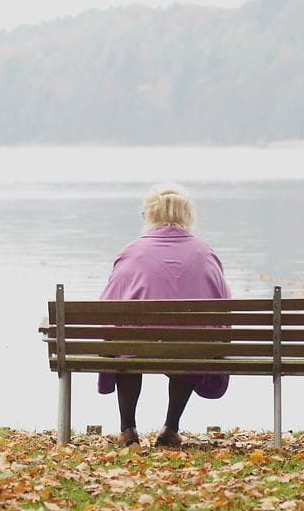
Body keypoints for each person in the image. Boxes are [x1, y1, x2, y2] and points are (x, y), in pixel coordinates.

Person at [97, 183, 231, 448]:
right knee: (189, 344)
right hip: (191, 348)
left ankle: (127, 430)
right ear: (187, 215)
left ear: (150, 214)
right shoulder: (205, 253)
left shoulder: (131, 252)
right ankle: (170, 428)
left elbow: (107, 310)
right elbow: (224, 309)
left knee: (125, 348)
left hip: (137, 347)